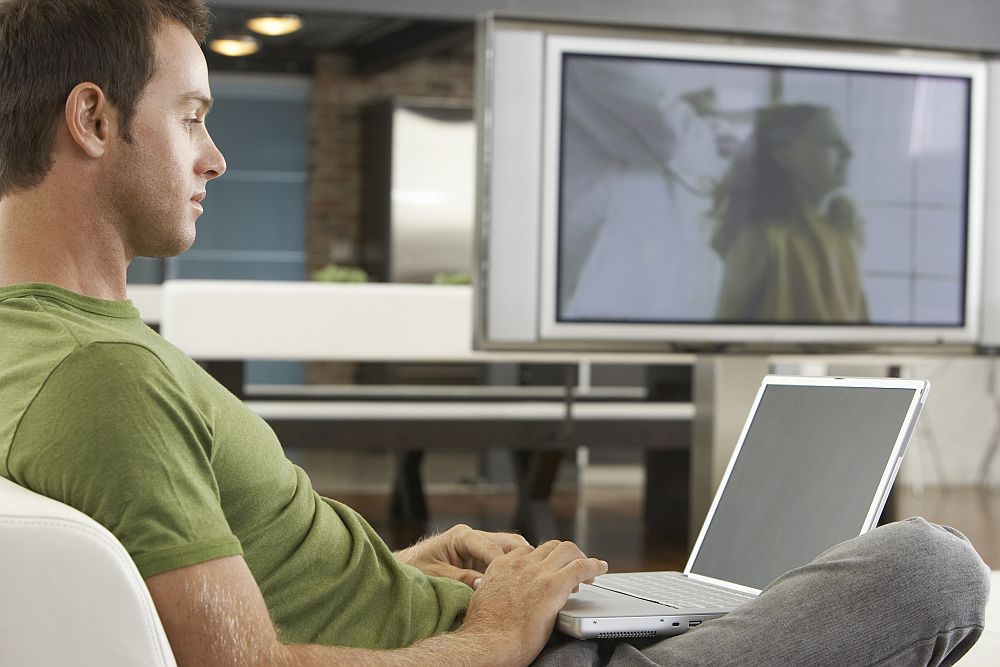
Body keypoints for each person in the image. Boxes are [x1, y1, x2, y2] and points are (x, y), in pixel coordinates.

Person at [0, 2, 989, 666]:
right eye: (190, 117)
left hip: (459, 633)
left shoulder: (46, 344)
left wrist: (399, 569)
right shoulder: (103, 378)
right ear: (93, 119)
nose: (213, 156)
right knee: (934, 567)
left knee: (780, 583)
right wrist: (494, 635)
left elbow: (233, 586)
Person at [711, 103, 870, 322]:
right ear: (785, 154)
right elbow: (723, 338)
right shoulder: (759, 241)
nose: (850, 152)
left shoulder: (843, 233)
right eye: (832, 142)